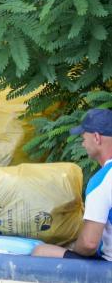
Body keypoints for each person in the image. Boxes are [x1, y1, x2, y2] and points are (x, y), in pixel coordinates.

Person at [32, 108, 112, 261]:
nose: (82, 143)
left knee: (40, 250)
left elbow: (89, 244)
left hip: (108, 268)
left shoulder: (103, 180)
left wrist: (74, 247)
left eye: (83, 137)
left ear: (96, 138)